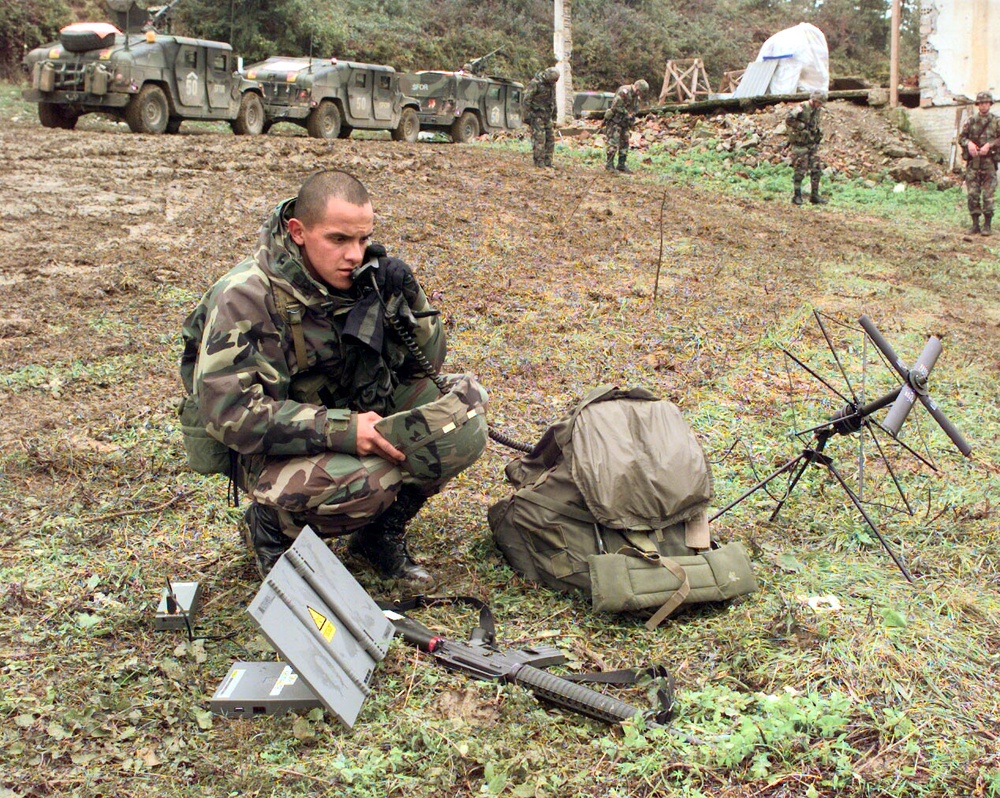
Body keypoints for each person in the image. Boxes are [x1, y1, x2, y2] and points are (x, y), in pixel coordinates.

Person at [180, 170, 488, 587]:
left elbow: (427, 364)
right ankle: (271, 528)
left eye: (363, 240)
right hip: (265, 446)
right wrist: (344, 430)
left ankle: (376, 536)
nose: (355, 255)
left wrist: (408, 297)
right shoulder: (246, 295)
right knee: (375, 480)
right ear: (298, 231)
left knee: (458, 417)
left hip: (347, 415)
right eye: (339, 240)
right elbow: (230, 414)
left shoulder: (361, 278)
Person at [958, 91, 1000, 236]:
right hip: (974, 163)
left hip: (989, 162)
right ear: (978, 105)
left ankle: (987, 225)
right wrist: (968, 143)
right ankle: (975, 224)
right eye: (981, 103)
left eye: (986, 103)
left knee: (988, 194)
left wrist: (990, 145)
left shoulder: (996, 121)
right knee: (972, 194)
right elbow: (961, 138)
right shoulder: (971, 121)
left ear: (990, 104)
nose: (983, 105)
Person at [785, 90, 828, 205]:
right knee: (800, 170)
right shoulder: (802, 107)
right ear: (814, 100)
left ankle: (814, 195)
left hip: (811, 144)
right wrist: (800, 126)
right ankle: (797, 196)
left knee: (816, 169)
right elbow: (789, 119)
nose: (820, 105)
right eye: (819, 103)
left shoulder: (816, 110)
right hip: (800, 145)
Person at [603, 79, 648, 173]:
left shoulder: (636, 97)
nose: (639, 94)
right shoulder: (624, 91)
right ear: (636, 87)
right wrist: (627, 113)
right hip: (615, 121)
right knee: (613, 142)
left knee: (625, 143)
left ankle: (621, 165)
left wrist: (632, 117)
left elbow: (635, 109)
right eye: (639, 91)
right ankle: (609, 165)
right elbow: (616, 106)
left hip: (624, 122)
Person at [522, 66, 560, 168]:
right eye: (552, 80)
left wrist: (555, 117)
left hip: (547, 116)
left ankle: (548, 161)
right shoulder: (535, 83)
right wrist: (527, 116)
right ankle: (539, 162)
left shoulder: (551, 85)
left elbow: (553, 100)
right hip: (536, 115)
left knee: (550, 138)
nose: (553, 83)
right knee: (539, 139)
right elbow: (526, 100)